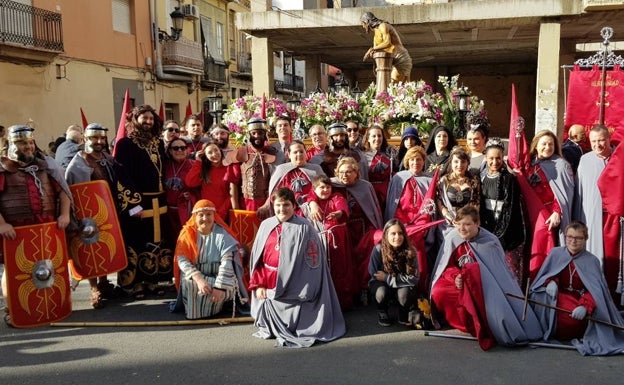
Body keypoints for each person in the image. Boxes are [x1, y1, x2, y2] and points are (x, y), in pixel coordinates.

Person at [430, 205, 543, 350]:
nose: (462, 229)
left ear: (477, 223)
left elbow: (499, 274)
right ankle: (466, 325)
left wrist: (470, 275)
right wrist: (456, 276)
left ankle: (486, 325)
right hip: (459, 283)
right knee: (439, 291)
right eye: (458, 224)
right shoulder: (452, 237)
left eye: (467, 224)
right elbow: (446, 267)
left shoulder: (490, 241)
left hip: (485, 287)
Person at [249, 187, 345, 348]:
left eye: (286, 205)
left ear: (294, 206)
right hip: (269, 283)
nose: (282, 209)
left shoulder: (305, 227)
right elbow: (257, 260)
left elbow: (312, 263)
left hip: (296, 287)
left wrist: (302, 290)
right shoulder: (266, 225)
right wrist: (259, 285)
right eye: (278, 205)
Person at [0, 125, 72, 325]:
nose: (29, 147)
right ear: (12, 145)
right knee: (14, 270)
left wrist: (65, 214)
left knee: (48, 267)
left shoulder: (44, 167)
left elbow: (63, 192)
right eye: (23, 143)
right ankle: (12, 309)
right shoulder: (2, 169)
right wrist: (2, 224)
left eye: (31, 142)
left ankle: (49, 305)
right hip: (15, 229)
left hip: (45, 226)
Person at [530, 221, 624, 356]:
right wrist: (551, 281)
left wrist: (585, 306)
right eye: (570, 237)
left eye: (578, 238)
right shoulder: (556, 253)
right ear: (566, 237)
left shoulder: (592, 261)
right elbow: (546, 274)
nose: (573, 241)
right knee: (537, 295)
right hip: (558, 296)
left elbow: (596, 291)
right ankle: (543, 330)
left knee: (572, 320)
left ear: (585, 239)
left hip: (578, 300)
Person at [114, 104, 174, 299]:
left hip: (158, 199)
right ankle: (134, 283)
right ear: (135, 120)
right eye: (144, 118)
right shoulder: (125, 144)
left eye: (150, 118)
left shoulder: (157, 142)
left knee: (156, 241)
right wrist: (133, 204)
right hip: (138, 202)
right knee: (137, 240)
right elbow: (122, 174)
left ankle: (152, 280)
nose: (148, 122)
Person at [65, 123, 122, 308]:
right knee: (90, 249)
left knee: (105, 245)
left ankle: (104, 282)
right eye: (94, 138)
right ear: (85, 139)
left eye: (102, 138)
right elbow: (73, 192)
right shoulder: (79, 162)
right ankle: (94, 287)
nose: (99, 141)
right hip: (88, 213)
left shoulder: (107, 157)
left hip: (109, 211)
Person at [172, 199, 248, 320]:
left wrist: (219, 287)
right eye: (201, 215)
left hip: (219, 279)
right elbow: (182, 260)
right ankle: (194, 313)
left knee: (216, 289)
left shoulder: (223, 235)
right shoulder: (187, 234)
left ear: (214, 216)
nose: (205, 218)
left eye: (208, 214)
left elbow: (227, 263)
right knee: (190, 282)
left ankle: (217, 307)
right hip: (197, 279)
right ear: (195, 217)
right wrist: (199, 278)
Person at [573, 125, 620, 302]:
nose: (598, 145)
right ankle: (593, 297)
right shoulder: (585, 160)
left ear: (609, 139)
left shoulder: (619, 159)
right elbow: (580, 192)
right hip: (592, 217)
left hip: (615, 219)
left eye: (601, 140)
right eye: (593, 141)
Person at [522, 129, 574, 279]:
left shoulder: (561, 165)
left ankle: (546, 281)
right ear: (536, 146)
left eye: (551, 144)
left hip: (550, 216)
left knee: (547, 249)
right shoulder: (530, 165)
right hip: (530, 215)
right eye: (543, 144)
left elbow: (564, 194)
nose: (547, 147)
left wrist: (557, 212)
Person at [331, 157, 383, 305]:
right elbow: (315, 192)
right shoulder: (333, 185)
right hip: (343, 229)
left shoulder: (365, 186)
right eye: (341, 172)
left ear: (356, 172)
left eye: (348, 172)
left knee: (368, 251)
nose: (344, 175)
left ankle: (365, 287)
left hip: (363, 228)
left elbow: (373, 210)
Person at [385, 146, 438, 292]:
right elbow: (394, 205)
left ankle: (419, 289)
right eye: (413, 159)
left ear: (423, 161)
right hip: (401, 223)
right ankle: (396, 286)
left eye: (419, 159)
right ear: (407, 161)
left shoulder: (428, 180)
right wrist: (402, 225)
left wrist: (420, 225)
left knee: (417, 250)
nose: (416, 162)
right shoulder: (398, 178)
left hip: (421, 225)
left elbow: (429, 207)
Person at [301, 175, 354, 309]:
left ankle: (343, 301)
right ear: (314, 189)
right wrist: (313, 203)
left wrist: (339, 213)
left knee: (339, 270)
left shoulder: (336, 197)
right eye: (322, 187)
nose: (325, 190)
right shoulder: (311, 202)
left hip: (337, 242)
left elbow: (342, 207)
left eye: (328, 187)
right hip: (319, 242)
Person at [479, 138, 526, 284]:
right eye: (491, 158)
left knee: (508, 276)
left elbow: (510, 210)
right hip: (488, 231)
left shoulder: (509, 180)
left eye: (498, 158)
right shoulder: (481, 179)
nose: (494, 162)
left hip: (507, 236)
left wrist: (499, 236)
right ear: (485, 158)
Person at [368, 219, 419, 327]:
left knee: (404, 294)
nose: (397, 237)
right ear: (386, 235)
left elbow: (414, 278)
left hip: (401, 285)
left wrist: (388, 278)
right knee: (381, 292)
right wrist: (387, 280)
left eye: (400, 233)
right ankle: (382, 311)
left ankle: (403, 310)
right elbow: (374, 273)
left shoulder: (411, 251)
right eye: (393, 233)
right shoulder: (378, 250)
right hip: (383, 284)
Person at [256, 140, 324, 219]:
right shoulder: (281, 170)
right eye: (295, 152)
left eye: (301, 151)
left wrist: (313, 202)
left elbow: (324, 188)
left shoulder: (316, 169)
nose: (299, 154)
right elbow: (275, 192)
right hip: (287, 212)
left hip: (312, 212)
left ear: (306, 153)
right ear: (289, 154)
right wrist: (266, 205)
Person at [226, 117, 277, 211]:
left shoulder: (272, 153)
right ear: (249, 135)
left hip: (267, 203)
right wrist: (236, 208)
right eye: (254, 133)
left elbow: (276, 181)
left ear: (265, 135)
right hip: (245, 204)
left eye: (260, 133)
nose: (257, 136)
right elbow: (233, 183)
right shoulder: (241, 153)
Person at [185, 142, 237, 222]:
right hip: (206, 213)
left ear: (220, 150)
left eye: (216, 150)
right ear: (205, 156)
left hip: (225, 213)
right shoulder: (204, 170)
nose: (214, 154)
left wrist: (221, 213)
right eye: (210, 152)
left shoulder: (229, 167)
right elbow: (190, 182)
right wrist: (198, 162)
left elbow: (232, 194)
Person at [361, 11, 412, 83]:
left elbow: (387, 43)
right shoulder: (375, 35)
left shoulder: (383, 26)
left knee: (392, 85)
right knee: (402, 88)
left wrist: (372, 49)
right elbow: (377, 50)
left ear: (367, 21)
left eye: (363, 23)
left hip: (400, 57)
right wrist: (372, 53)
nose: (363, 26)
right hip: (391, 60)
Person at [436, 146, 480, 225]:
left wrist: (467, 221)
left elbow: (476, 204)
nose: (459, 165)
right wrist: (450, 218)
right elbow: (440, 203)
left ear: (468, 163)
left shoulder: (473, 181)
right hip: (447, 222)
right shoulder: (444, 181)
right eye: (456, 161)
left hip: (468, 222)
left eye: (463, 161)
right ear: (450, 163)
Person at [163, 138, 197, 238]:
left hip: (186, 210)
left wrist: (191, 195)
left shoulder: (193, 165)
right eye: (175, 148)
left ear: (187, 150)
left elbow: (200, 189)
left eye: (183, 148)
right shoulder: (165, 166)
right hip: (167, 212)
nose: (179, 151)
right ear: (170, 151)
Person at [361, 124, 395, 211]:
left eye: (379, 136)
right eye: (374, 136)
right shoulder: (362, 157)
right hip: (370, 194)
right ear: (368, 138)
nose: (377, 138)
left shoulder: (390, 154)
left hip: (388, 193)